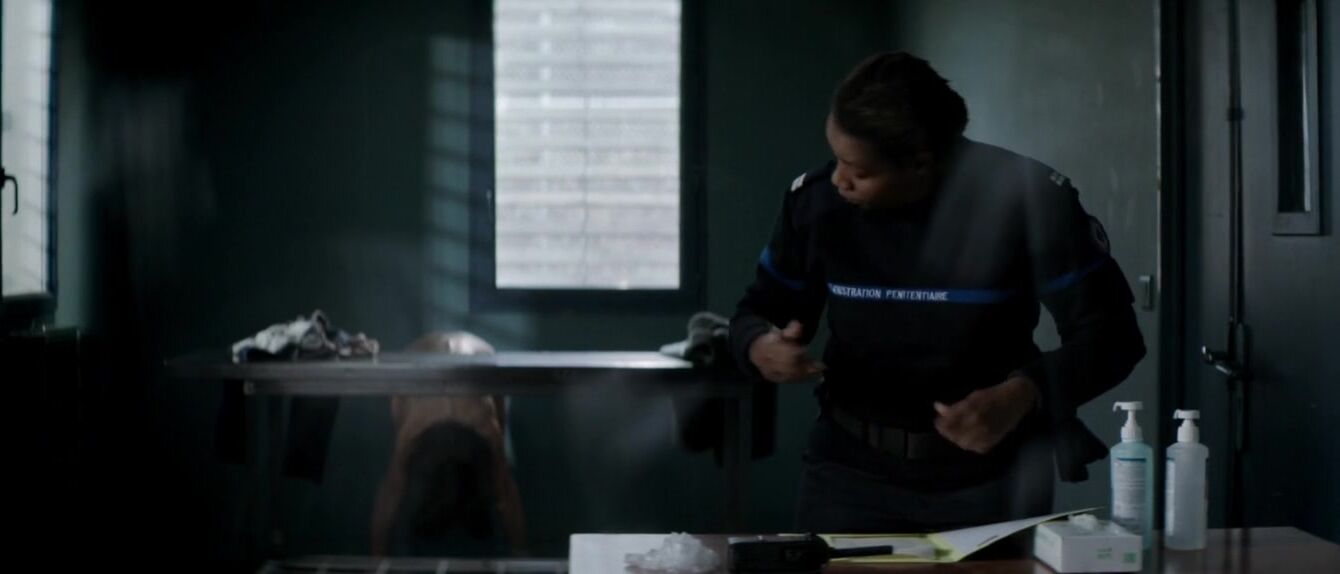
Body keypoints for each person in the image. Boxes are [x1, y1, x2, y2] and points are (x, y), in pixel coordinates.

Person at [729, 52, 1145, 533]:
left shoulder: (1030, 200)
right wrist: (760, 345)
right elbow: (756, 312)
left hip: (992, 479)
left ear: (921, 163)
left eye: (857, 169)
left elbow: (1112, 338)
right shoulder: (817, 203)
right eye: (836, 158)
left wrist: (1024, 392)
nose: (839, 179)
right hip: (848, 475)